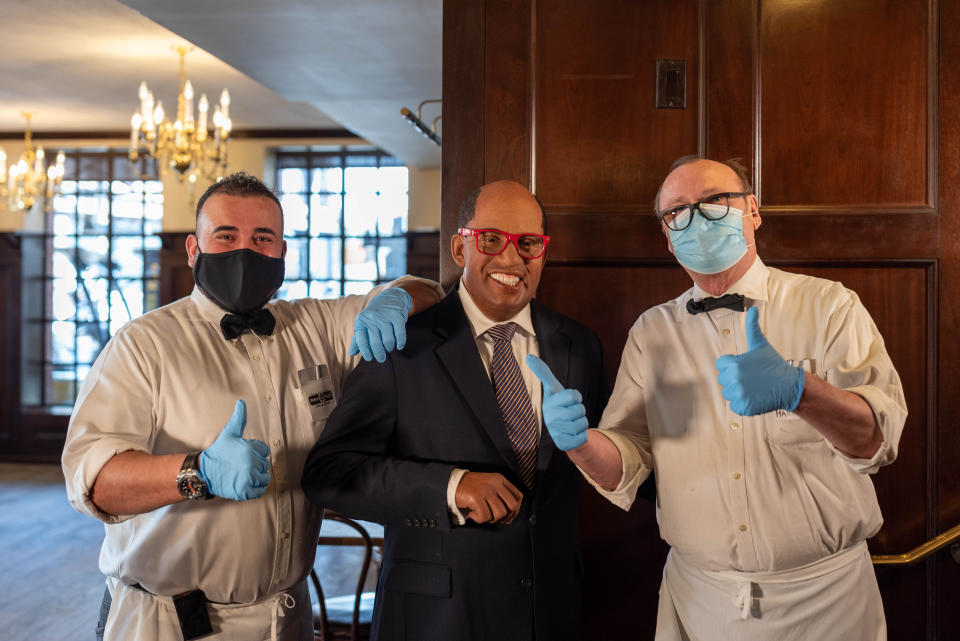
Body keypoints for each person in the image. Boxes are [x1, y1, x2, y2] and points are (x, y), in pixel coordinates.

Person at [530, 157, 908, 641]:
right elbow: (628, 456)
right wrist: (580, 445)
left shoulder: (830, 305)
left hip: (827, 601)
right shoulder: (651, 331)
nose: (696, 218)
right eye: (677, 212)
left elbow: (878, 439)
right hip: (700, 600)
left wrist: (802, 392)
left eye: (714, 201)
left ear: (752, 211)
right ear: (668, 237)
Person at [61, 172, 444, 641]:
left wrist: (398, 300)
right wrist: (197, 472)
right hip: (169, 622)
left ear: (283, 252)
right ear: (193, 249)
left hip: (288, 614)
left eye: (262, 238)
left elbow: (426, 288)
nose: (245, 251)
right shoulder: (142, 345)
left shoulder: (315, 325)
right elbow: (94, 482)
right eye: (226, 236)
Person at [301, 180, 605, 641]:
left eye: (528, 243)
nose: (510, 258)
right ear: (460, 248)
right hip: (434, 618)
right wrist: (450, 488)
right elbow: (329, 474)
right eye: (490, 239)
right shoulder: (401, 343)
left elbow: (607, 464)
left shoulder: (579, 345)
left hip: (550, 611)